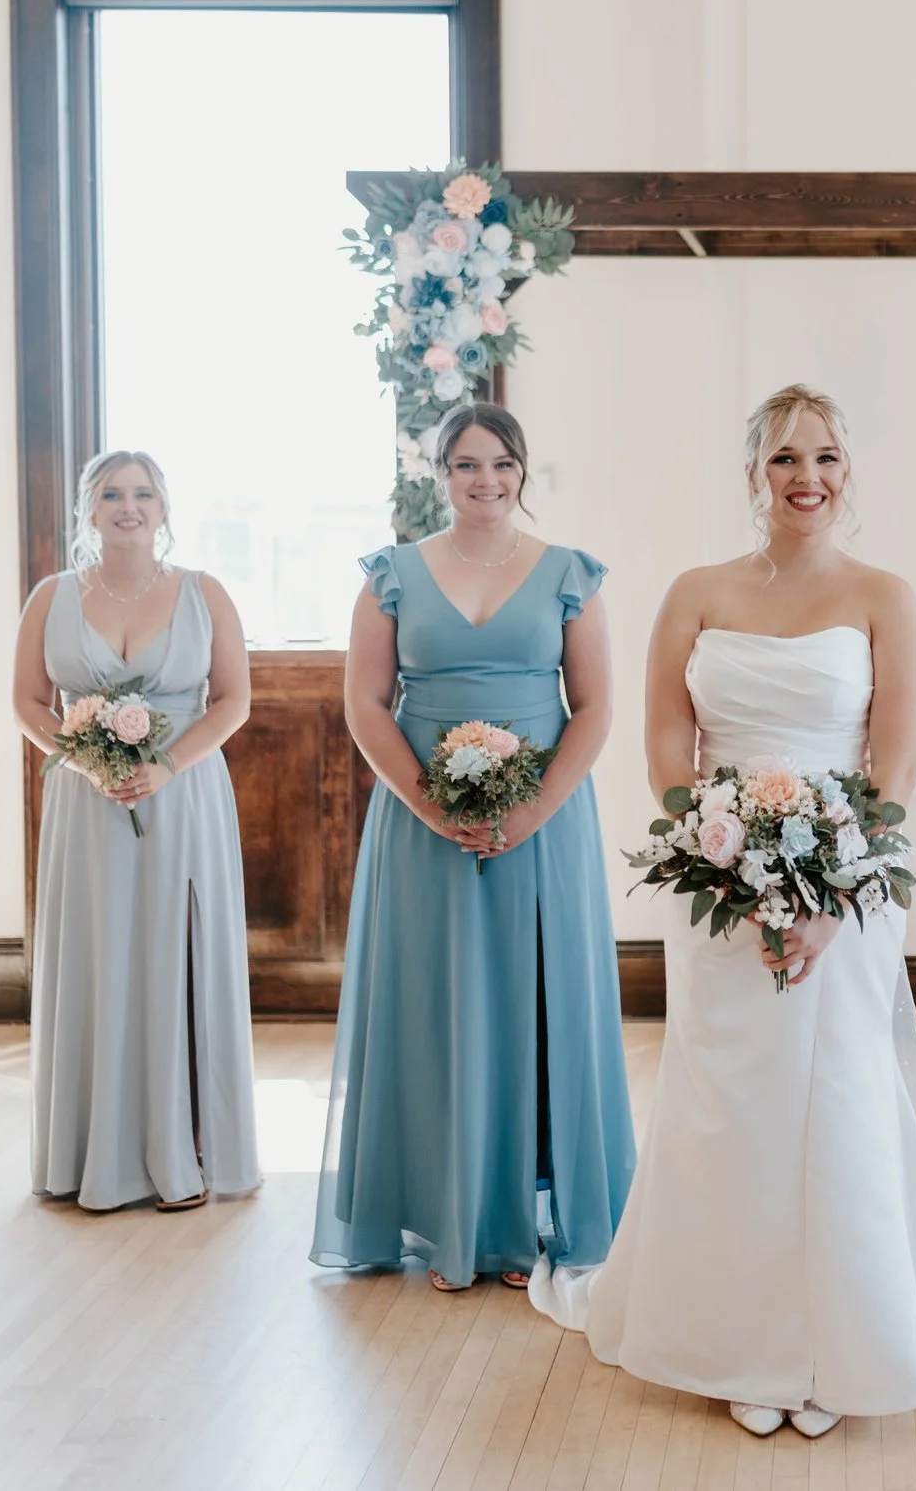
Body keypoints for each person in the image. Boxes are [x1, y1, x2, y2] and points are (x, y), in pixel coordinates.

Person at [532, 383, 916, 1439]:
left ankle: (838, 1345)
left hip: (850, 886)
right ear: (754, 474)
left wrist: (830, 898)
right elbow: (666, 747)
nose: (807, 478)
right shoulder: (696, 592)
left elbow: (895, 767)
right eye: (786, 458)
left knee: (836, 1103)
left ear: (847, 473)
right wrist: (728, 864)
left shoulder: (884, 596)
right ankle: (738, 1344)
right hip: (718, 887)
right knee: (727, 1106)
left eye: (826, 458)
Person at [310, 403, 634, 1290]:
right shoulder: (392, 576)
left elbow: (595, 707)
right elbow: (365, 704)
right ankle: (449, 1220)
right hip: (423, 825)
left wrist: (532, 812)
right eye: (465, 465)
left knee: (536, 1005)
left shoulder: (570, 573)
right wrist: (428, 806)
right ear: (440, 475)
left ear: (522, 472)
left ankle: (529, 1220)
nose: (485, 481)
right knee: (434, 1007)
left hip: (545, 824)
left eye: (500, 464)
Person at [15, 449, 260, 1211]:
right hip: (87, 805)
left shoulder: (204, 593)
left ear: (163, 509)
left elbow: (233, 701)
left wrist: (167, 766)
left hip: (184, 795)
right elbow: (27, 702)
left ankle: (187, 1150)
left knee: (177, 953)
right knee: (98, 954)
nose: (129, 506)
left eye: (144, 494)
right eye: (113, 494)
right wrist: (86, 764)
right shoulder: (51, 596)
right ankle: (92, 1153)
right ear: (88, 510)